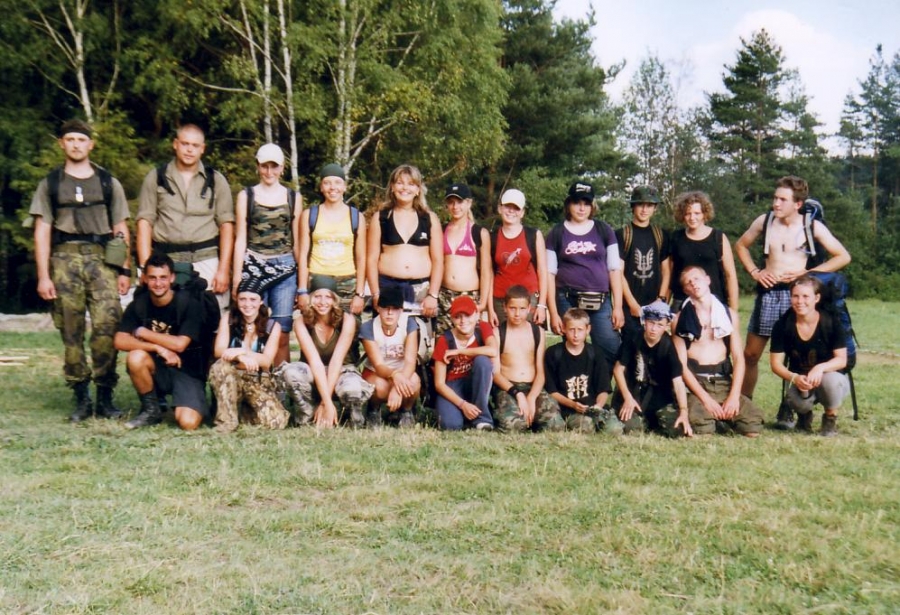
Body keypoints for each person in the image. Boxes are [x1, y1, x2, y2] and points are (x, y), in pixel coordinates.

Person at [29, 119, 132, 422]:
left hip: (103, 261)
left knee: (107, 327)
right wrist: (44, 276)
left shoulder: (108, 182)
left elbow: (120, 228)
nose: (76, 144)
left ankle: (105, 396)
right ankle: (81, 397)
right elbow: (42, 231)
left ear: (91, 144)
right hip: (64, 260)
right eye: (70, 139)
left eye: (81, 139)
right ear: (61, 143)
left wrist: (124, 270)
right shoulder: (50, 184)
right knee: (71, 332)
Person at [734, 176, 851, 401]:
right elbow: (741, 245)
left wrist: (808, 273)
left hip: (798, 296)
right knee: (751, 354)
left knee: (799, 354)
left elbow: (843, 256)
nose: (776, 203)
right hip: (769, 294)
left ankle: (792, 404)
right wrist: (755, 272)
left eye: (782, 200)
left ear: (797, 204)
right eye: (775, 198)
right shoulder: (765, 221)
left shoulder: (811, 226)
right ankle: (744, 402)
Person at [136, 123, 234, 311]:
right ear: (175, 144)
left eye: (195, 145)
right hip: (165, 260)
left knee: (213, 316)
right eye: (185, 144)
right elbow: (144, 223)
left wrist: (223, 270)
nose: (189, 150)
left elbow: (227, 226)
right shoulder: (156, 178)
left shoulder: (216, 180)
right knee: (163, 317)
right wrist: (145, 267)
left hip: (206, 258)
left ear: (202, 149)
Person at [114, 252, 210, 430]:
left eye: (163, 278)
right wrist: (158, 348)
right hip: (157, 367)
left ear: (172, 278)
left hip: (187, 371)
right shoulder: (139, 304)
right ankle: (152, 410)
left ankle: (188, 401)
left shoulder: (189, 304)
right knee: (136, 357)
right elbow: (119, 340)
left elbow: (179, 344)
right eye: (152, 278)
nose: (158, 284)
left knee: (188, 423)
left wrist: (143, 332)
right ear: (144, 278)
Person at [231, 143, 302, 366]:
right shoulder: (246, 196)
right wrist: (236, 277)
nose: (269, 172)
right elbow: (240, 238)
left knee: (281, 332)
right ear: (258, 166)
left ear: (282, 168)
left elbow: (297, 241)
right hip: (253, 266)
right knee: (251, 327)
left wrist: (302, 282)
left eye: (274, 166)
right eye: (264, 166)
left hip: (285, 269)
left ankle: (282, 382)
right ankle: (251, 377)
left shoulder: (293, 197)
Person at [672, 267, 763, 437]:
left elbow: (738, 358)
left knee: (752, 428)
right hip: (696, 384)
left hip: (723, 381)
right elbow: (681, 366)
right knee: (704, 430)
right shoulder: (679, 320)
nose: (693, 283)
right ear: (685, 290)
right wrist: (706, 400)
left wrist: (734, 396)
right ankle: (714, 418)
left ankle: (723, 417)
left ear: (707, 280)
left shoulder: (729, 315)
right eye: (688, 282)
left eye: (697, 278)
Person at [546, 180, 624, 367]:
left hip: (600, 300)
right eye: (577, 203)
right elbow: (549, 274)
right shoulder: (556, 232)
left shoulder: (604, 230)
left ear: (592, 206)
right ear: (569, 204)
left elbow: (614, 269)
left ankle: (602, 384)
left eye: (586, 203)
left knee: (610, 347)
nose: (582, 208)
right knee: (572, 348)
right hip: (567, 298)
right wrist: (554, 313)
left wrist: (618, 307)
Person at [280, 275, 373, 429]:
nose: (322, 302)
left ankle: (349, 415)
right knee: (291, 372)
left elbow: (337, 361)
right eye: (317, 296)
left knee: (353, 387)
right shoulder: (301, 322)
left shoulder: (347, 320)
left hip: (341, 370)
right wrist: (328, 403)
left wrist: (326, 403)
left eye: (328, 297)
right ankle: (306, 412)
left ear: (335, 299)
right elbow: (315, 362)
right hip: (314, 371)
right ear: (310, 298)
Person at [770, 275, 849, 436]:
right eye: (795, 296)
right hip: (801, 378)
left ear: (816, 298)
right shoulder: (783, 325)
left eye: (806, 296)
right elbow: (775, 364)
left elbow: (841, 359)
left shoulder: (831, 322)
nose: (800, 301)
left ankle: (830, 418)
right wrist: (794, 378)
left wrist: (820, 368)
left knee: (831, 382)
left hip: (829, 376)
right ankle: (804, 416)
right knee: (797, 401)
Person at [208, 276, 290, 433]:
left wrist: (242, 351)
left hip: (257, 380)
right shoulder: (228, 319)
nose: (247, 304)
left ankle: (246, 412)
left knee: (276, 422)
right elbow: (219, 350)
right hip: (232, 378)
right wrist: (240, 357)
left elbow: (266, 361)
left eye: (253, 299)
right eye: (243, 299)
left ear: (261, 301)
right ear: (236, 300)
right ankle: (226, 422)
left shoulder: (272, 326)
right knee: (220, 367)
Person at [366, 164, 442, 320]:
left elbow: (438, 260)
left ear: (418, 189)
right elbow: (371, 259)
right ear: (392, 187)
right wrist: (375, 293)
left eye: (411, 184)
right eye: (400, 183)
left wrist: (433, 295)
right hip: (387, 288)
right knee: (387, 335)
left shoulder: (429, 218)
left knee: (419, 334)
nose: (405, 188)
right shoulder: (381, 218)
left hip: (421, 293)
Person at [612, 301, 692, 438]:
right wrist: (627, 398)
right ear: (644, 321)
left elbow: (678, 382)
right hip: (633, 393)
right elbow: (618, 370)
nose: (654, 329)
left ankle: (653, 421)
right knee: (632, 429)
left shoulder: (668, 346)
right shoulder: (633, 338)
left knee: (677, 431)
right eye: (651, 323)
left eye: (659, 325)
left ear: (666, 326)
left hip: (660, 396)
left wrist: (684, 412)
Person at [491, 286, 564, 433]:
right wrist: (518, 394)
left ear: (529, 308)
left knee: (555, 425)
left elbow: (541, 372)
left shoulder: (538, 332)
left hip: (533, 387)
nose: (517, 314)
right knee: (514, 426)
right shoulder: (497, 333)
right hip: (508, 388)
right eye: (512, 308)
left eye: (522, 309)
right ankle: (520, 417)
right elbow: (496, 374)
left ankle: (533, 418)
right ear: (504, 307)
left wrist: (531, 397)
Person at [297, 163, 367, 315]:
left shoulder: (356, 217)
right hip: (317, 279)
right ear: (321, 187)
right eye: (327, 183)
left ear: (345, 187)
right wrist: (302, 290)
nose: (332, 187)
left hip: (347, 281)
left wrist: (359, 294)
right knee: (315, 324)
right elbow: (303, 255)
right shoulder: (309, 215)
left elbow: (362, 258)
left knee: (349, 325)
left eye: (337, 182)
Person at [359, 286, 421, 428]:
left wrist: (397, 388)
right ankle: (373, 410)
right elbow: (379, 365)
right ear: (378, 308)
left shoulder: (409, 324)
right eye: (385, 308)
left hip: (403, 371)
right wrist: (395, 376)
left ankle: (406, 411)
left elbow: (410, 362)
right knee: (379, 387)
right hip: (377, 373)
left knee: (414, 381)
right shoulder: (368, 327)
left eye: (394, 309)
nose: (389, 313)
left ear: (401, 310)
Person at [544, 308, 614, 433]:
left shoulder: (595, 353)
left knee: (614, 429)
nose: (576, 335)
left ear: (588, 329)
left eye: (580, 330)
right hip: (568, 408)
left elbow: (603, 389)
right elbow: (551, 391)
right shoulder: (554, 353)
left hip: (592, 406)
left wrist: (598, 406)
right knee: (586, 427)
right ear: (564, 328)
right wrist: (573, 405)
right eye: (572, 329)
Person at [432, 295, 497, 431]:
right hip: (453, 385)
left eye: (467, 315)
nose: (463, 321)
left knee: (483, 361)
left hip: (475, 381)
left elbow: (493, 350)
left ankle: (482, 419)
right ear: (451, 319)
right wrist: (462, 404)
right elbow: (439, 384)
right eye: (458, 317)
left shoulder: (482, 328)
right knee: (451, 425)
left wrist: (460, 351)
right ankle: (465, 412)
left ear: (477, 315)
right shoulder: (445, 340)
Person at [669, 191, 739, 313]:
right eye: (688, 213)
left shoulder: (718, 238)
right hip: (682, 303)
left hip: (714, 302)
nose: (692, 218)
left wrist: (733, 311)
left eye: (697, 213)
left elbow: (730, 275)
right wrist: (663, 306)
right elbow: (670, 275)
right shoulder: (676, 238)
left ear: (704, 214)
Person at [617, 185, 671, 341]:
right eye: (640, 204)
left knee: (654, 345)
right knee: (631, 344)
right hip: (630, 305)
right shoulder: (622, 234)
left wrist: (661, 299)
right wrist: (632, 304)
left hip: (655, 303)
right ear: (633, 207)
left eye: (649, 205)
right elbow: (618, 272)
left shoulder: (661, 235)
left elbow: (666, 270)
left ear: (655, 208)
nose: (644, 209)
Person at [487, 188, 549, 327]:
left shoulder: (533, 235)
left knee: (530, 336)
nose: (511, 211)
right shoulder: (492, 237)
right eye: (507, 206)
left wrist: (542, 305)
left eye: (516, 208)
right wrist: (490, 308)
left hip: (529, 297)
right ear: (500, 208)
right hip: (500, 298)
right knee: (503, 337)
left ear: (522, 212)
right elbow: (489, 274)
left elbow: (542, 271)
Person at [436, 183, 491, 335]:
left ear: (469, 203)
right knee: (443, 341)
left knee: (468, 341)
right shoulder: (441, 230)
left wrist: (483, 302)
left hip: (469, 296)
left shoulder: (479, 233)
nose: (455, 207)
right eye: (451, 202)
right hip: (444, 296)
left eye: (459, 202)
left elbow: (486, 271)